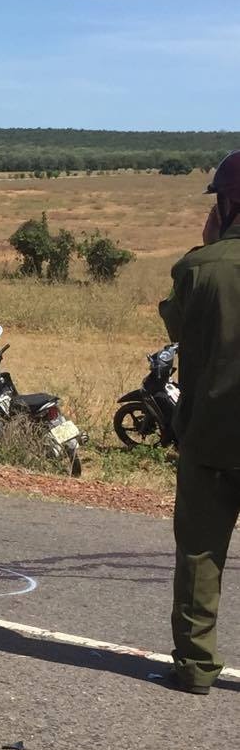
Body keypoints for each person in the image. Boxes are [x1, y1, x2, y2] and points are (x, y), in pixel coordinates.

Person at [157, 150, 240, 695]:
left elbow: (177, 327)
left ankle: (194, 664)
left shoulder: (198, 268)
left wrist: (211, 245)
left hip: (212, 431)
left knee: (201, 550)